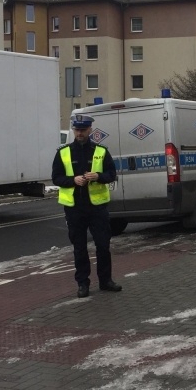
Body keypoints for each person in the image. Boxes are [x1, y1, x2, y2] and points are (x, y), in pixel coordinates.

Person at [52, 114, 121, 298]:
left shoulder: (101, 151)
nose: (80, 133)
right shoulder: (63, 152)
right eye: (77, 130)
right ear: (74, 130)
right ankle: (83, 284)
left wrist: (98, 176)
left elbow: (112, 174)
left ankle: (106, 281)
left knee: (103, 245)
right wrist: (73, 180)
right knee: (79, 248)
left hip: (97, 208)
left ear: (90, 130)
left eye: (83, 130)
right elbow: (56, 178)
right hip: (74, 207)